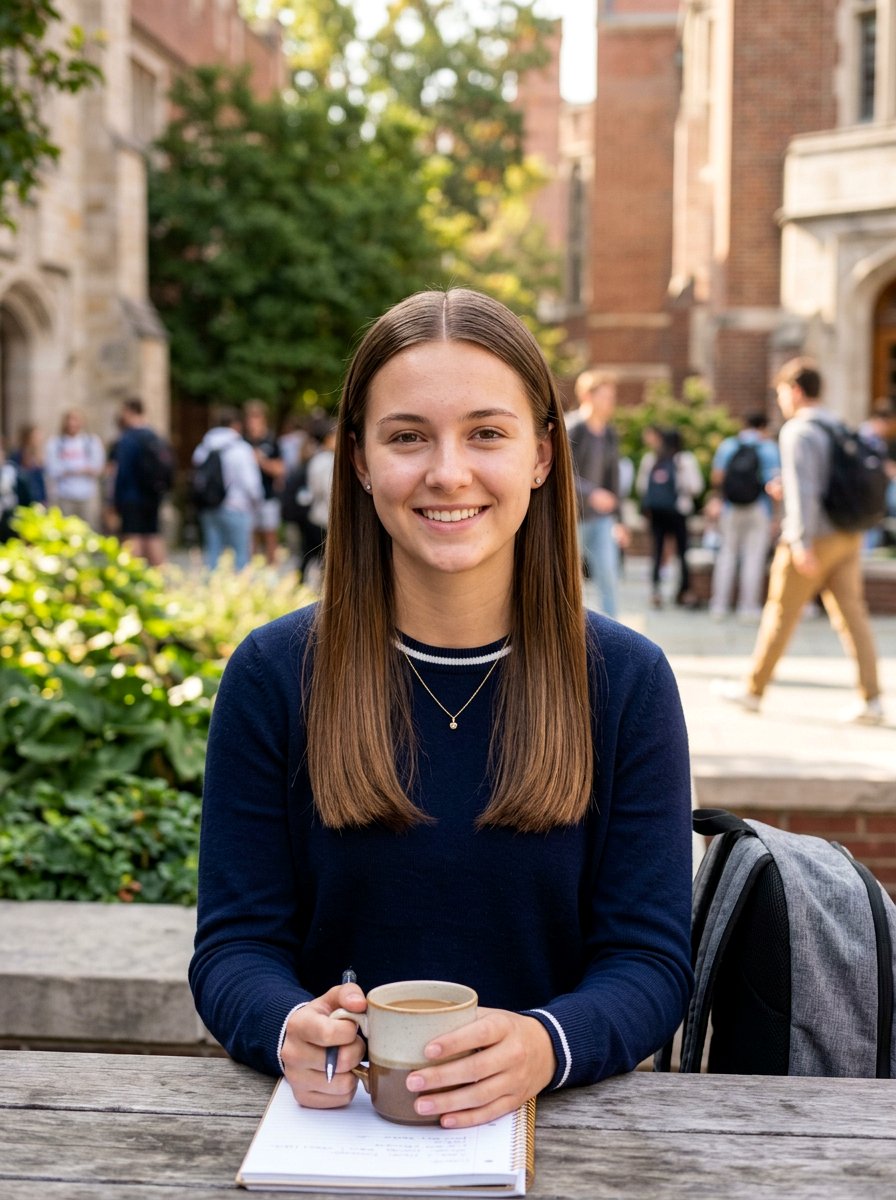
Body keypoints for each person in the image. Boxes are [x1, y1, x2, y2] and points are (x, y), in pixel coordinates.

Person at [189, 288, 694, 1131]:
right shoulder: (273, 675)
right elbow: (235, 948)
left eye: (486, 433)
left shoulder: (628, 681)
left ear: (541, 454)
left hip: (560, 1135)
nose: (447, 471)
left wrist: (543, 1045)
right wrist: (287, 1026)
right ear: (358, 459)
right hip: (337, 1133)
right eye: (407, 436)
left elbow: (647, 962)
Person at [715, 358, 884, 725]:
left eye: (780, 393)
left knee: (779, 612)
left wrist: (801, 541)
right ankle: (872, 699)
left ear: (794, 390)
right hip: (847, 533)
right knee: (852, 616)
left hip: (811, 537)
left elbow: (806, 488)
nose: (780, 401)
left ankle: (753, 689)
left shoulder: (797, 431)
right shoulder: (836, 424)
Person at [708, 412, 781, 621]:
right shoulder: (768, 448)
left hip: (730, 507)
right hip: (759, 508)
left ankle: (719, 605)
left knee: (727, 554)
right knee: (753, 557)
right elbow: (774, 485)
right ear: (763, 427)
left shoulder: (729, 445)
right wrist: (775, 516)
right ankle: (748, 608)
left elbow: (717, 477)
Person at [568, 370, 629, 618]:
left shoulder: (609, 433)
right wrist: (591, 492)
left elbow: (613, 482)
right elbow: (557, 472)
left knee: (608, 576)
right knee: (569, 581)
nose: (610, 403)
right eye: (605, 396)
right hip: (572, 518)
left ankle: (612, 638)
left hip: (601, 519)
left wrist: (620, 521)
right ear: (587, 395)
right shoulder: (573, 428)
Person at [636, 426, 703, 608]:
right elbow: (696, 487)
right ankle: (684, 591)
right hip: (679, 511)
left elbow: (642, 487)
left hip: (657, 512)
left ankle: (656, 591)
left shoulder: (651, 459)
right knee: (682, 552)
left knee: (657, 551)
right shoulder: (685, 459)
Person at [191, 407, 264, 570]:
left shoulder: (202, 448)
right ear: (236, 425)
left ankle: (210, 591)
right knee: (241, 556)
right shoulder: (241, 449)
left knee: (212, 554)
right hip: (237, 507)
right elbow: (251, 484)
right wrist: (257, 505)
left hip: (209, 507)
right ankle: (240, 592)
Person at [108, 398, 171, 566]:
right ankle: (161, 578)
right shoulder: (154, 436)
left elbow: (123, 473)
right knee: (152, 535)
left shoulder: (128, 439)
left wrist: (114, 502)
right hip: (153, 495)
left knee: (132, 537)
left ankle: (135, 580)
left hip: (132, 496)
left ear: (129, 411)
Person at [44, 408, 105, 527]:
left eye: (76, 420)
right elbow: (52, 469)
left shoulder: (91, 441)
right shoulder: (55, 443)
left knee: (89, 529)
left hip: (87, 495)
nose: (72, 423)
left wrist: (71, 470)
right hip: (64, 495)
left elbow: (97, 467)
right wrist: (79, 470)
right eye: (69, 420)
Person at [244, 400, 285, 565]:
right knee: (250, 538)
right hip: (247, 499)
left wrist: (260, 461)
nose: (253, 422)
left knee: (270, 535)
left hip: (268, 495)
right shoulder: (243, 441)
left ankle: (271, 573)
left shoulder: (271, 440)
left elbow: (280, 469)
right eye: (251, 417)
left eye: (257, 417)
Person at [9, 424, 47, 506]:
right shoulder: (17, 456)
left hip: (38, 499)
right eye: (36, 436)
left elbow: (40, 480)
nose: (39, 439)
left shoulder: (38, 456)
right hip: (22, 499)